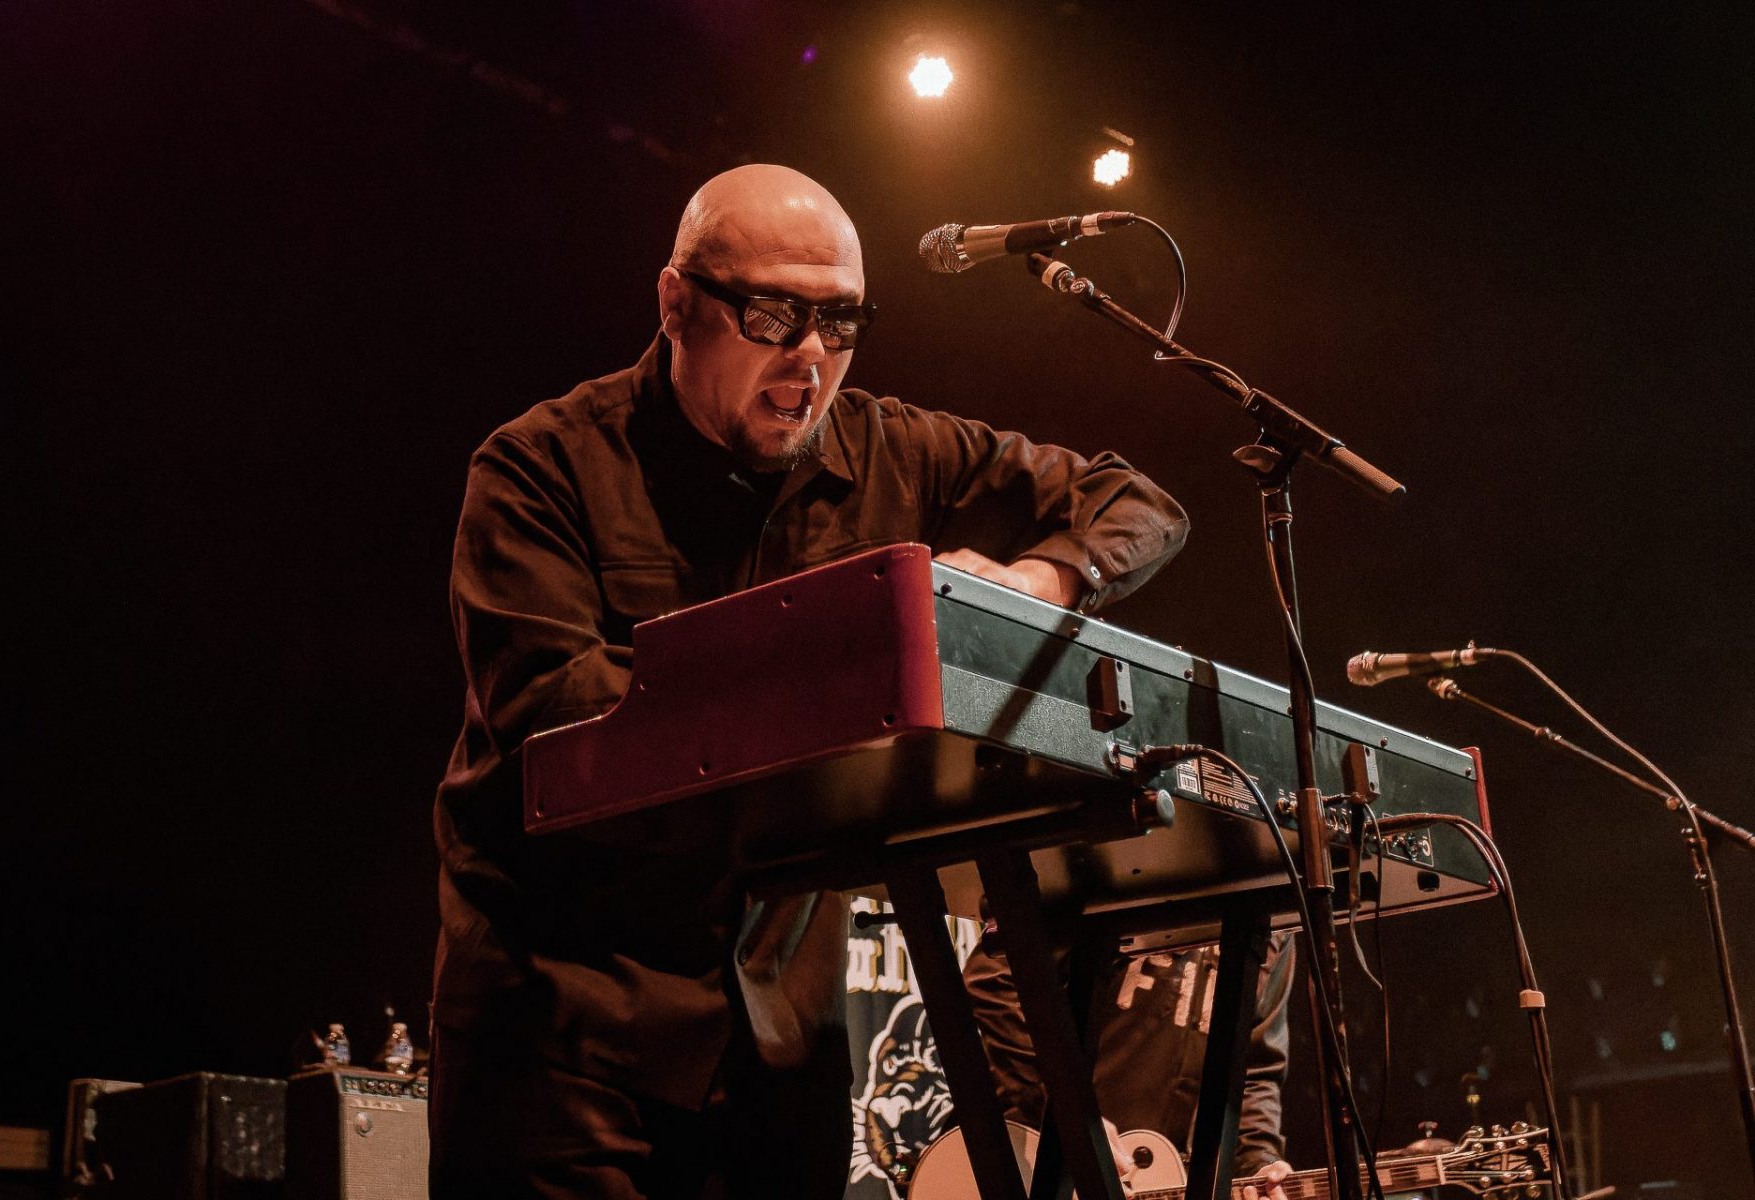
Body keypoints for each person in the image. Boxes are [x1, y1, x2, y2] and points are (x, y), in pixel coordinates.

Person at [427, 162, 1190, 1198]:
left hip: (780, 1042)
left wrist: (1041, 580)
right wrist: (830, 664)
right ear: (676, 304)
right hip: (565, 1021)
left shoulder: (893, 449)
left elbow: (1137, 503)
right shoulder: (539, 466)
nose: (812, 356)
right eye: (774, 317)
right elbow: (552, 713)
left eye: (842, 322)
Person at [964, 931, 1296, 1199]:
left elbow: (1253, 1070)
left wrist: (1259, 1162)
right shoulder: (1108, 870)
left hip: (1158, 1179)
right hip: (1040, 1166)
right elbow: (993, 978)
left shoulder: (1271, 920)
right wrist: (1070, 1114)